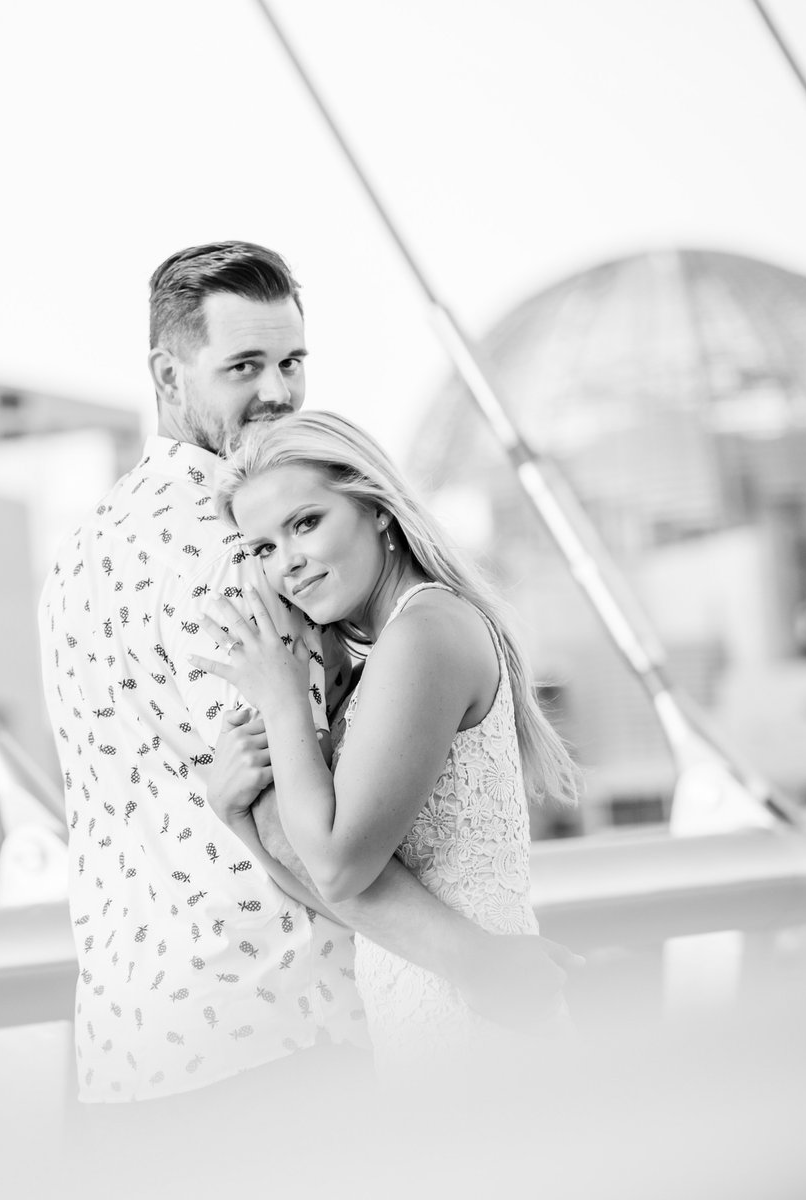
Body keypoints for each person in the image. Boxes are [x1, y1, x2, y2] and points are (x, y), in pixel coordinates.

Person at [38, 240, 575, 1108]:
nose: (277, 392)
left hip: (129, 1046)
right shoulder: (226, 541)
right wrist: (480, 965)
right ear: (167, 374)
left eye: (291, 362)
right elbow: (286, 818)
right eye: (243, 366)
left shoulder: (79, 555)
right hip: (279, 1028)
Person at [194, 409, 578, 1075]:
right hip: (428, 1016)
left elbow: (339, 868)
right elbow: (348, 898)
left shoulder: (423, 634)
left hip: (478, 1028)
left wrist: (283, 699)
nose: (288, 564)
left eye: (305, 523)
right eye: (263, 549)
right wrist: (234, 816)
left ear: (374, 508)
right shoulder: (389, 650)